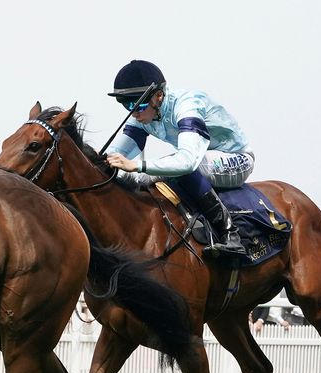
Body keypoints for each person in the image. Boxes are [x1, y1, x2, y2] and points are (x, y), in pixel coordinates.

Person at [104, 60, 253, 260]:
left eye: (138, 103)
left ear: (159, 95)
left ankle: (230, 233)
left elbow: (187, 162)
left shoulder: (187, 106)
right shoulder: (143, 115)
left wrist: (138, 166)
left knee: (178, 168)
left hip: (236, 160)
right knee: (145, 182)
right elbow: (115, 154)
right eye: (126, 104)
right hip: (203, 160)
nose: (134, 111)